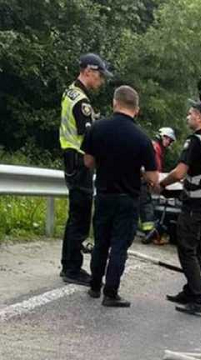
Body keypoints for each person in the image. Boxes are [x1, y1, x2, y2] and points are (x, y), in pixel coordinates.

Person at [81, 86, 159, 307]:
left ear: (115, 103)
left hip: (104, 194)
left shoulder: (97, 128)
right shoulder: (142, 139)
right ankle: (111, 293)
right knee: (119, 247)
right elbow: (153, 177)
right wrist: (141, 174)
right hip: (128, 198)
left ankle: (95, 286)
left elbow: (87, 162)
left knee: (100, 243)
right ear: (137, 109)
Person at [156, 100, 201, 314]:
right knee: (196, 249)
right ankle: (192, 291)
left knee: (186, 250)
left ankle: (198, 299)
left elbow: (179, 173)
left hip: (194, 205)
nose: (188, 116)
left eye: (191, 113)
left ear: (200, 118)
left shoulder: (194, 142)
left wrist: (161, 184)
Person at [59, 53, 112, 286]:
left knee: (74, 215)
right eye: (99, 75)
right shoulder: (82, 101)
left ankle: (67, 263)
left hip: (70, 157)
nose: (100, 81)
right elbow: (89, 135)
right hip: (80, 160)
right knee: (80, 216)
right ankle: (72, 268)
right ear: (88, 71)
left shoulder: (70, 91)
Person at [139, 127, 176, 245]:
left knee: (142, 205)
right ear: (162, 136)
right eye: (168, 139)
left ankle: (148, 232)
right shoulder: (155, 147)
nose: (168, 142)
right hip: (142, 180)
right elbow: (153, 167)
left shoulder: (156, 148)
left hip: (143, 179)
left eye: (170, 141)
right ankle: (150, 233)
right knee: (146, 206)